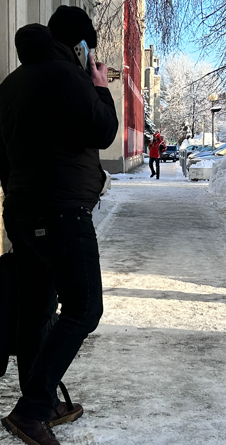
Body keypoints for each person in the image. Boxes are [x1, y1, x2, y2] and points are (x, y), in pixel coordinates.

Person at [0, 6, 118, 445]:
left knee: (34, 312)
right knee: (84, 309)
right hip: (62, 213)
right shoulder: (70, 77)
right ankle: (32, 411)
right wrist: (100, 87)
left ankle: (42, 404)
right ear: (80, 46)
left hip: (22, 212)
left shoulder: (11, 85)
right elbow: (103, 131)